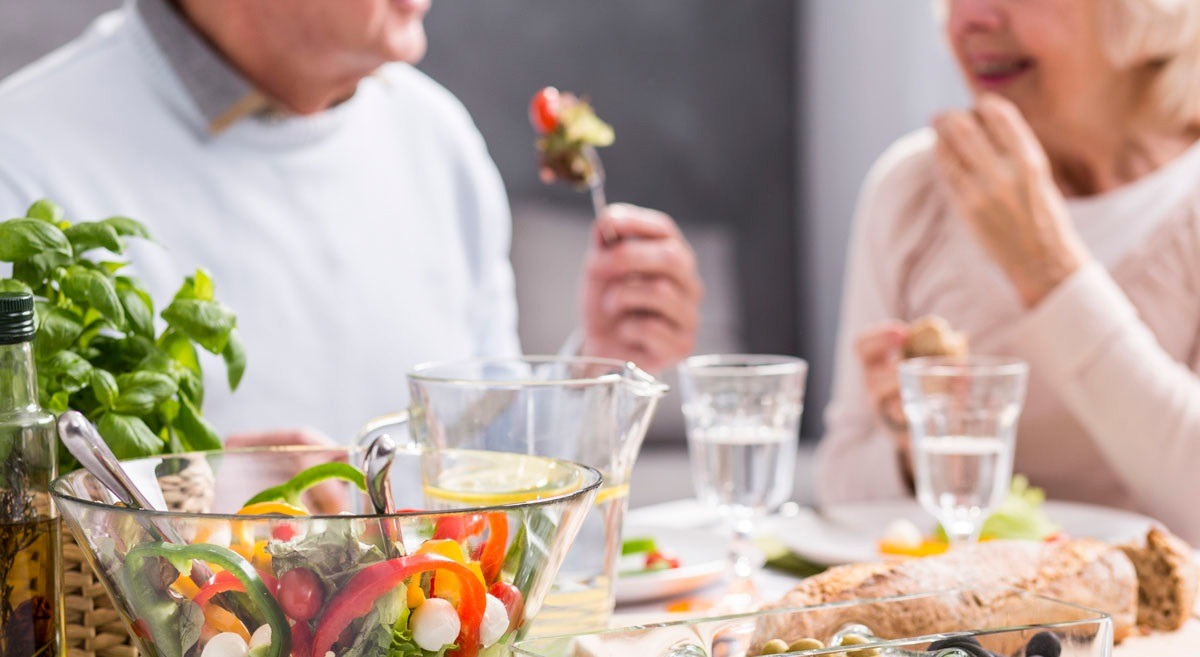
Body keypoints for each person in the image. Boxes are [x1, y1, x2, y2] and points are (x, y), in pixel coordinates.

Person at [0, 0, 703, 443]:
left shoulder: (436, 136)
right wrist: (184, 504)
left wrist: (595, 367)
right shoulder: (22, 157)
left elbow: (485, 465)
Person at [816, 0, 1200, 541]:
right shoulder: (912, 189)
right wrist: (912, 446)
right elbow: (842, 491)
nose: (967, 20)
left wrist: (1048, 271)